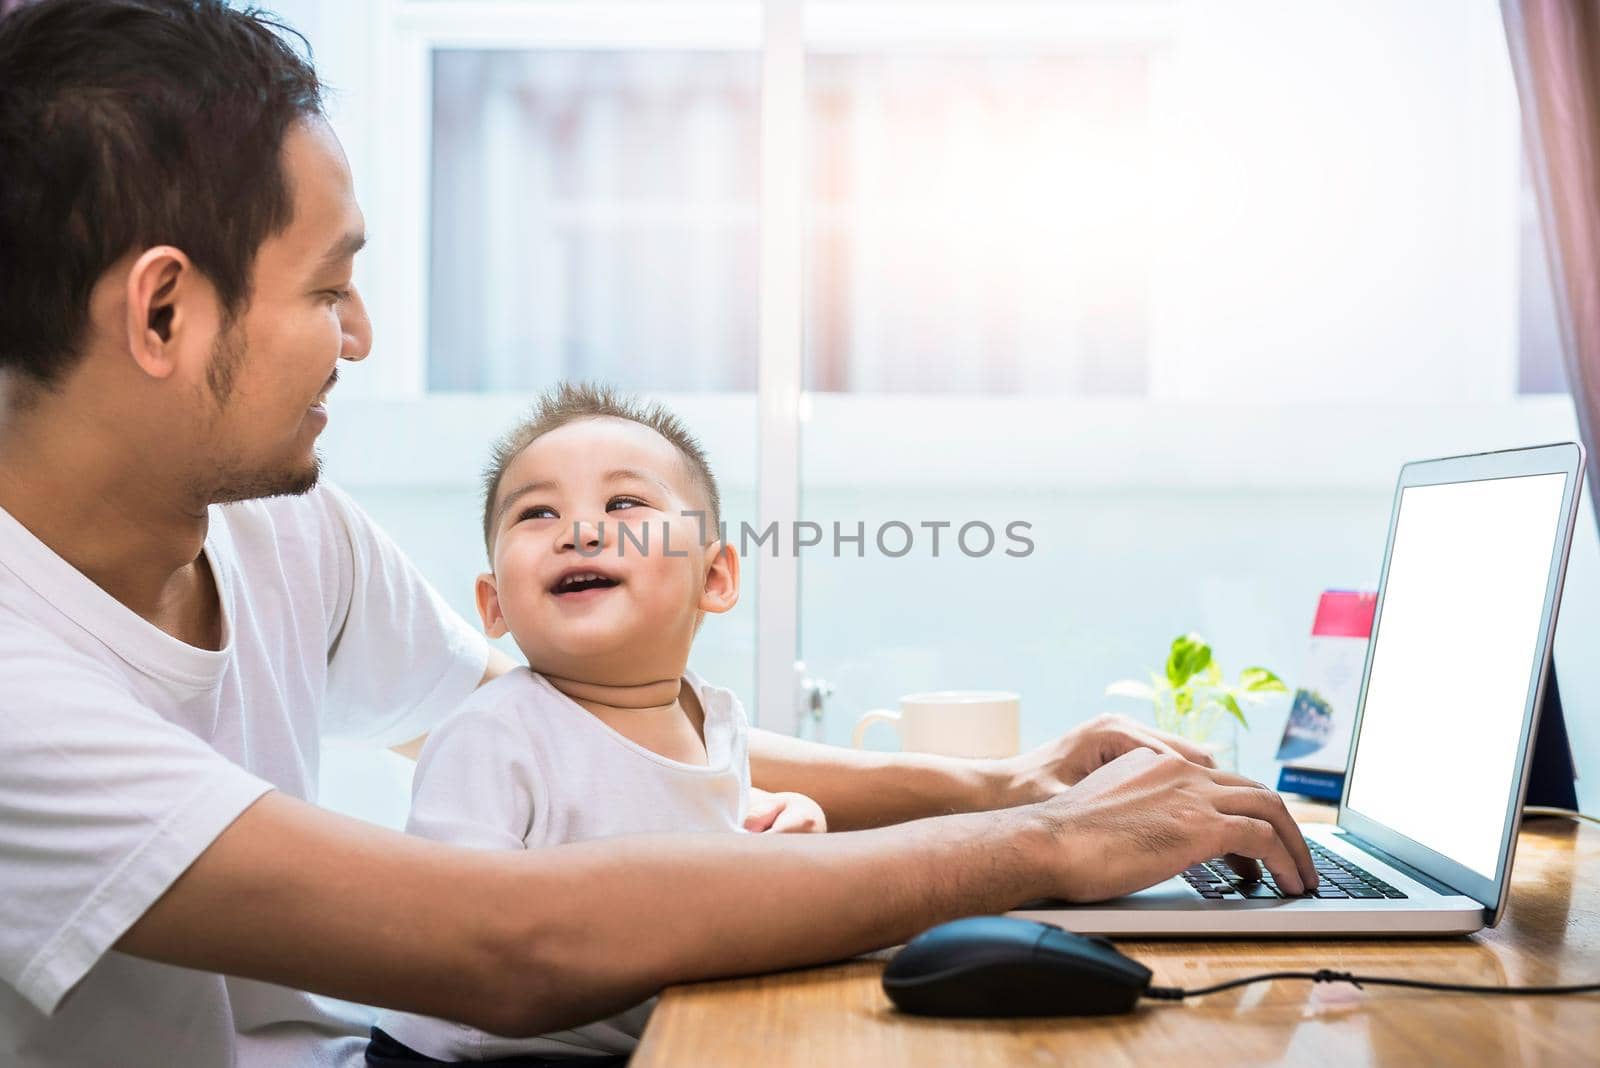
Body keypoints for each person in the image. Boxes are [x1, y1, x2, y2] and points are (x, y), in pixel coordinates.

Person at [0, 2, 1316, 1066]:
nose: (361, 338)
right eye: (329, 287)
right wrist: (1031, 852)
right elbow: (498, 946)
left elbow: (568, 709)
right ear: (165, 315)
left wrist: (1006, 788)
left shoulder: (283, 534)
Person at [372, 384, 827, 1063]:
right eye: (537, 512)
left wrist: (783, 817)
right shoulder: (495, 735)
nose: (579, 530)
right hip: (478, 1055)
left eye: (623, 505)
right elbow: (459, 938)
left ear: (716, 578)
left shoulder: (715, 722)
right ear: (494, 604)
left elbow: (678, 822)